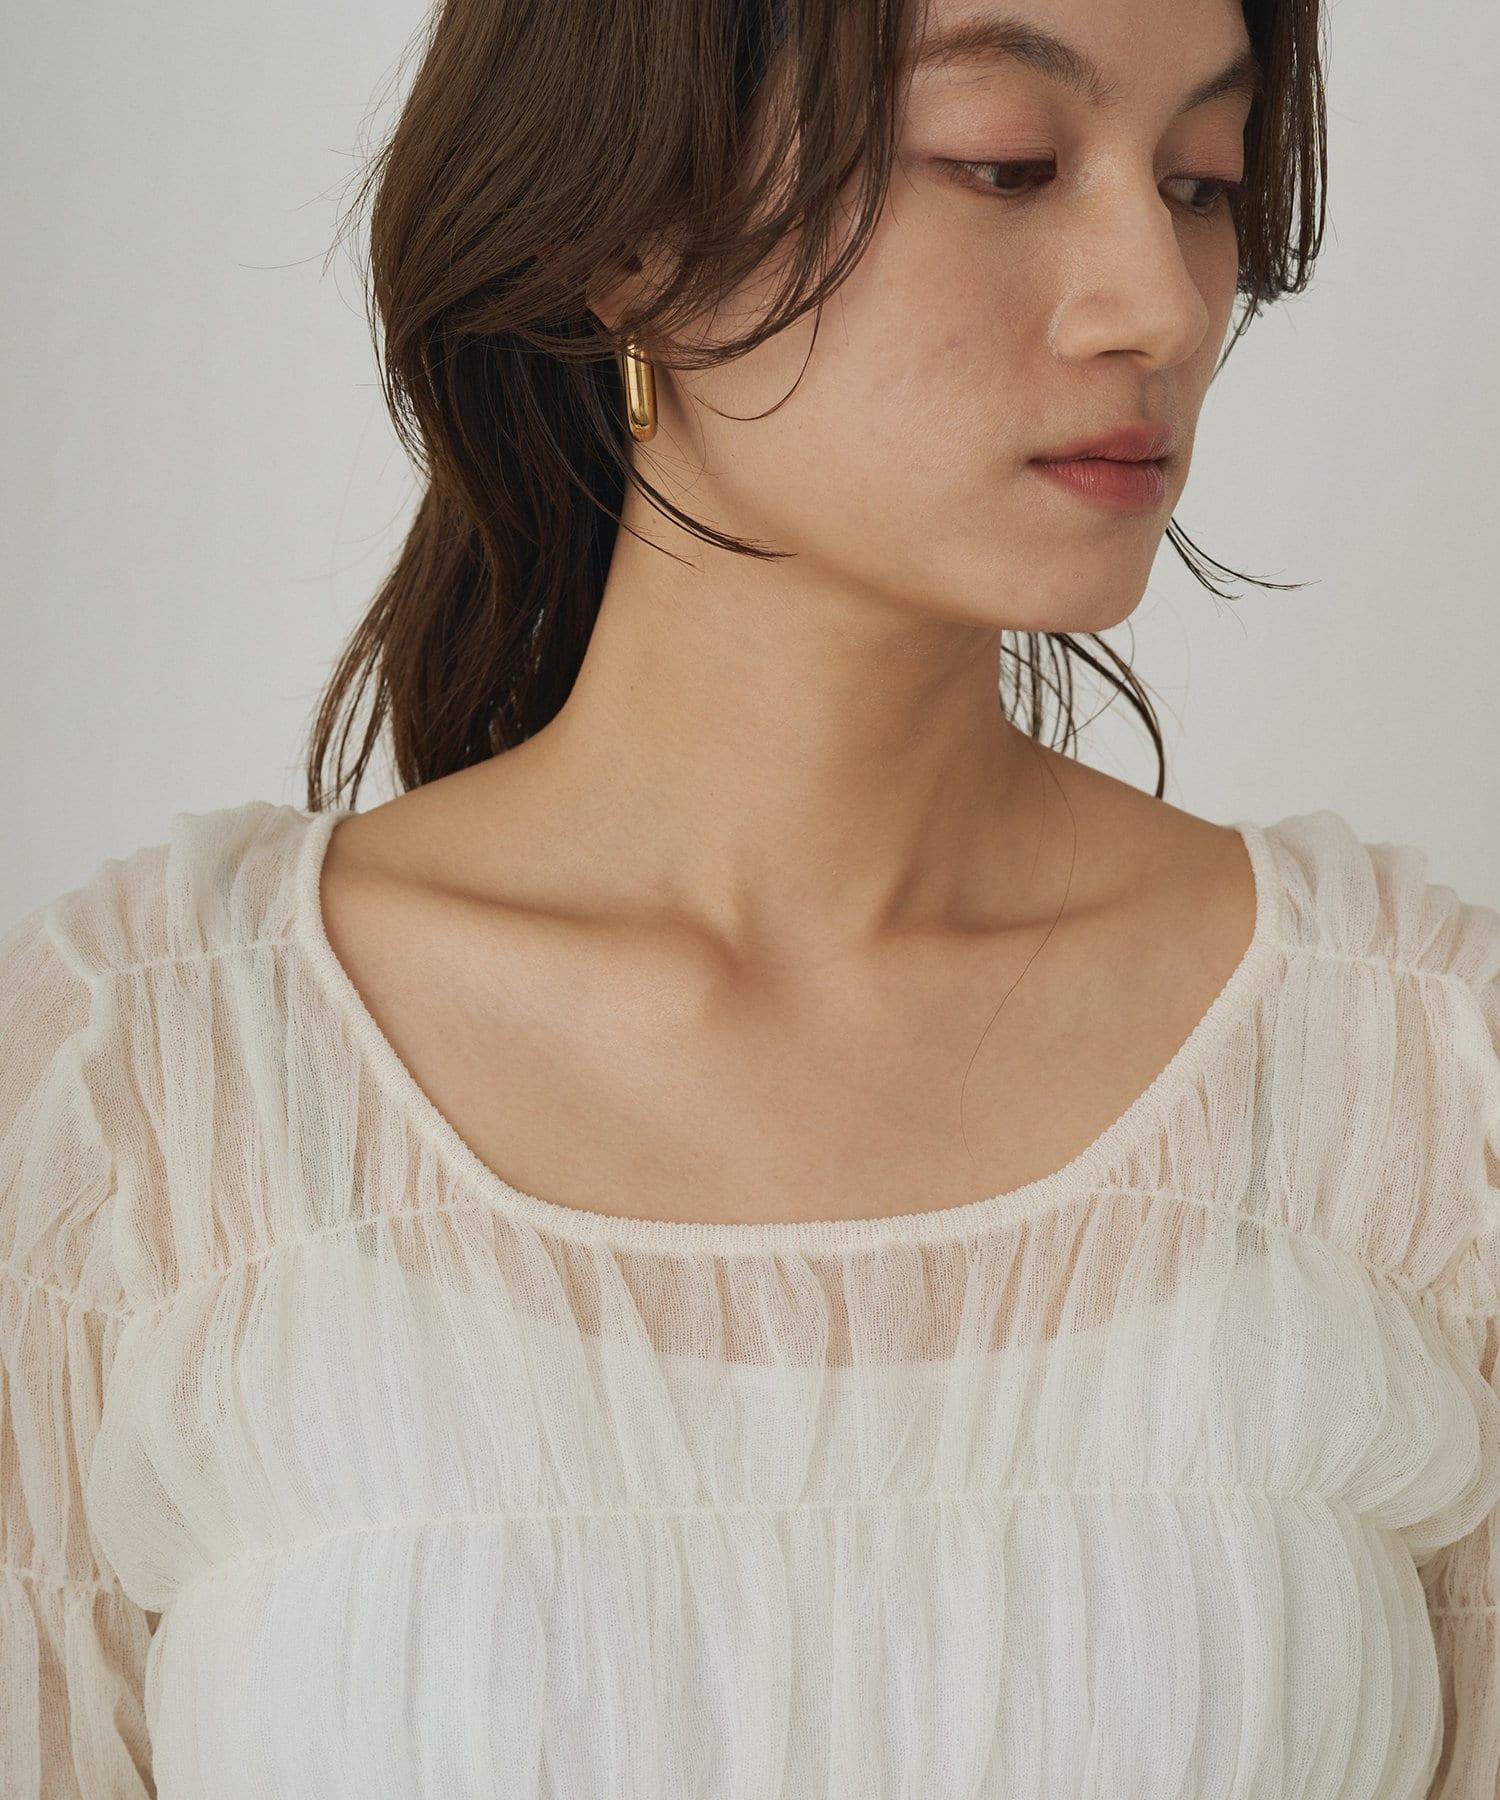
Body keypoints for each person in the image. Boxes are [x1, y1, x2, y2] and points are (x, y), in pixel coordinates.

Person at [3, 0, 1497, 1792]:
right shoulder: (145, 1096)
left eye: (1200, 179)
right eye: (1007, 164)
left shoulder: (1419, 1088)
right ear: (635, 234)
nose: (1162, 307)